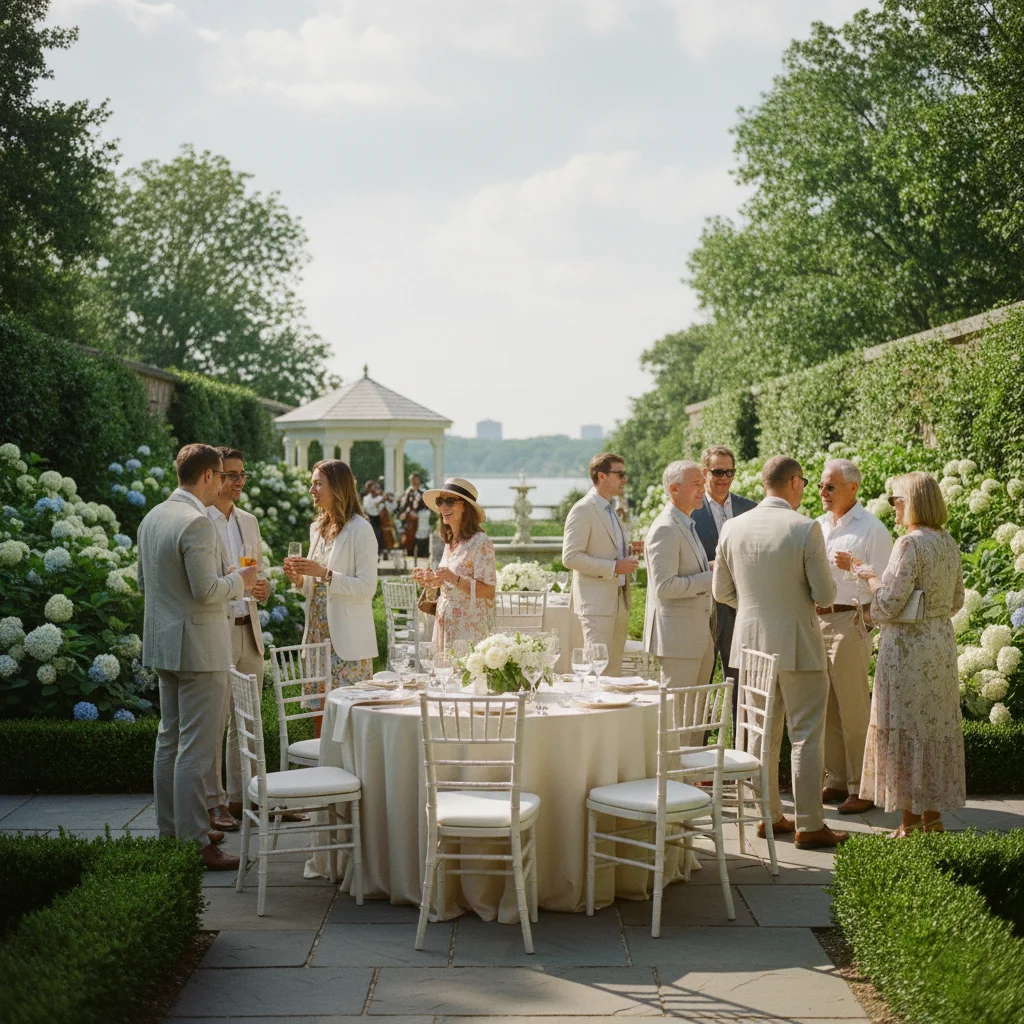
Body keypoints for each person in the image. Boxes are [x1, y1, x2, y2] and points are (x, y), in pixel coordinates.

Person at [712, 455, 848, 850]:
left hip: (749, 643)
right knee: (805, 734)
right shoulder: (804, 528)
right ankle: (809, 824)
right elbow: (824, 594)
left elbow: (721, 592)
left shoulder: (733, 527)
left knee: (760, 733)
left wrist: (757, 608)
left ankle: (767, 816)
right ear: (793, 483)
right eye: (804, 482)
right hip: (798, 643)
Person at [138, 443, 255, 871]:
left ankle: (171, 832)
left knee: (169, 741)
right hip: (201, 648)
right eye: (222, 475)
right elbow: (207, 591)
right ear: (207, 475)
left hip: (164, 644)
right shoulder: (197, 523)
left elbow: (143, 583)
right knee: (196, 749)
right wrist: (239, 580)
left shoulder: (153, 517)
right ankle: (194, 842)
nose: (225, 483)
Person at [855, 472, 966, 836]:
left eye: (896, 499)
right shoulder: (948, 542)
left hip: (906, 650)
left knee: (903, 728)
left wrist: (870, 577)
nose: (893, 507)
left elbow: (886, 606)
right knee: (932, 728)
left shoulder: (909, 545)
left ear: (913, 502)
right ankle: (932, 819)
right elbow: (956, 602)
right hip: (939, 644)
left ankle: (907, 824)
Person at [815, 458, 893, 815]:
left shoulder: (872, 529)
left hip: (849, 622)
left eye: (830, 486)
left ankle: (862, 786)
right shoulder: (816, 525)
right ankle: (835, 780)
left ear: (853, 489)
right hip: (816, 621)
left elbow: (885, 587)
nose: (823, 492)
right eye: (820, 485)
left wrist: (865, 622)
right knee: (826, 705)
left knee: (853, 705)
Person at [285, 460, 379, 737]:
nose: (311, 489)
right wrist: (300, 579)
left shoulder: (360, 529)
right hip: (316, 634)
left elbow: (367, 588)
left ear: (337, 487)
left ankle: (352, 775)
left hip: (346, 640)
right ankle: (322, 770)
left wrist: (325, 574)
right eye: (312, 483)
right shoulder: (317, 528)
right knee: (319, 712)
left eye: (318, 483)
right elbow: (313, 587)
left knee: (349, 717)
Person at [204, 447, 272, 829]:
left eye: (243, 474)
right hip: (218, 630)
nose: (239, 481)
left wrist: (263, 589)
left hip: (251, 629)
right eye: (231, 474)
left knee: (247, 720)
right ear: (214, 477)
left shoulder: (249, 520)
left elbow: (256, 573)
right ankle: (213, 803)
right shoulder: (201, 520)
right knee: (216, 723)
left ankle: (242, 799)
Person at [691, 445, 758, 708]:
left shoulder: (751, 508)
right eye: (718, 472)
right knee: (701, 683)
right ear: (705, 472)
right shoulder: (691, 511)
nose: (724, 478)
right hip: (703, 606)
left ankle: (741, 745)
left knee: (741, 683)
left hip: (740, 607)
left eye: (730, 472)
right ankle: (698, 745)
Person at [562, 452, 638, 677]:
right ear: (602, 476)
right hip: (596, 607)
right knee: (596, 673)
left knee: (612, 674)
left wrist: (628, 553)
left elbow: (609, 550)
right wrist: (614, 567)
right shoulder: (583, 509)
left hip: (618, 603)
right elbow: (570, 557)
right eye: (620, 474)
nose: (625, 479)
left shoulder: (609, 509)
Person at [643, 461, 715, 691]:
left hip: (698, 638)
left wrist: (712, 568)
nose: (702, 490)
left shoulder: (684, 522)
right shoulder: (665, 528)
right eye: (696, 485)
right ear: (674, 489)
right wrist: (709, 578)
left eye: (702, 484)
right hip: (678, 644)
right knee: (679, 720)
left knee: (694, 719)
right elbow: (664, 587)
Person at [415, 478, 496, 650]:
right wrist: (433, 581)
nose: (443, 507)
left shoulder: (481, 542)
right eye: (440, 501)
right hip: (444, 623)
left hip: (467, 629)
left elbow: (488, 591)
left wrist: (454, 578)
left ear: (465, 507)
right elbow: (450, 584)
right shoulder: (450, 541)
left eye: (450, 501)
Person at [398, 472, 430, 559]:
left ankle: (422, 557)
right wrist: (403, 513)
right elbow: (403, 505)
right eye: (412, 480)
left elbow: (427, 506)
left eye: (415, 479)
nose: (414, 482)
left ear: (418, 480)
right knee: (410, 543)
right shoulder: (408, 492)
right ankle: (410, 556)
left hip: (422, 520)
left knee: (422, 540)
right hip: (410, 521)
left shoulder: (424, 492)